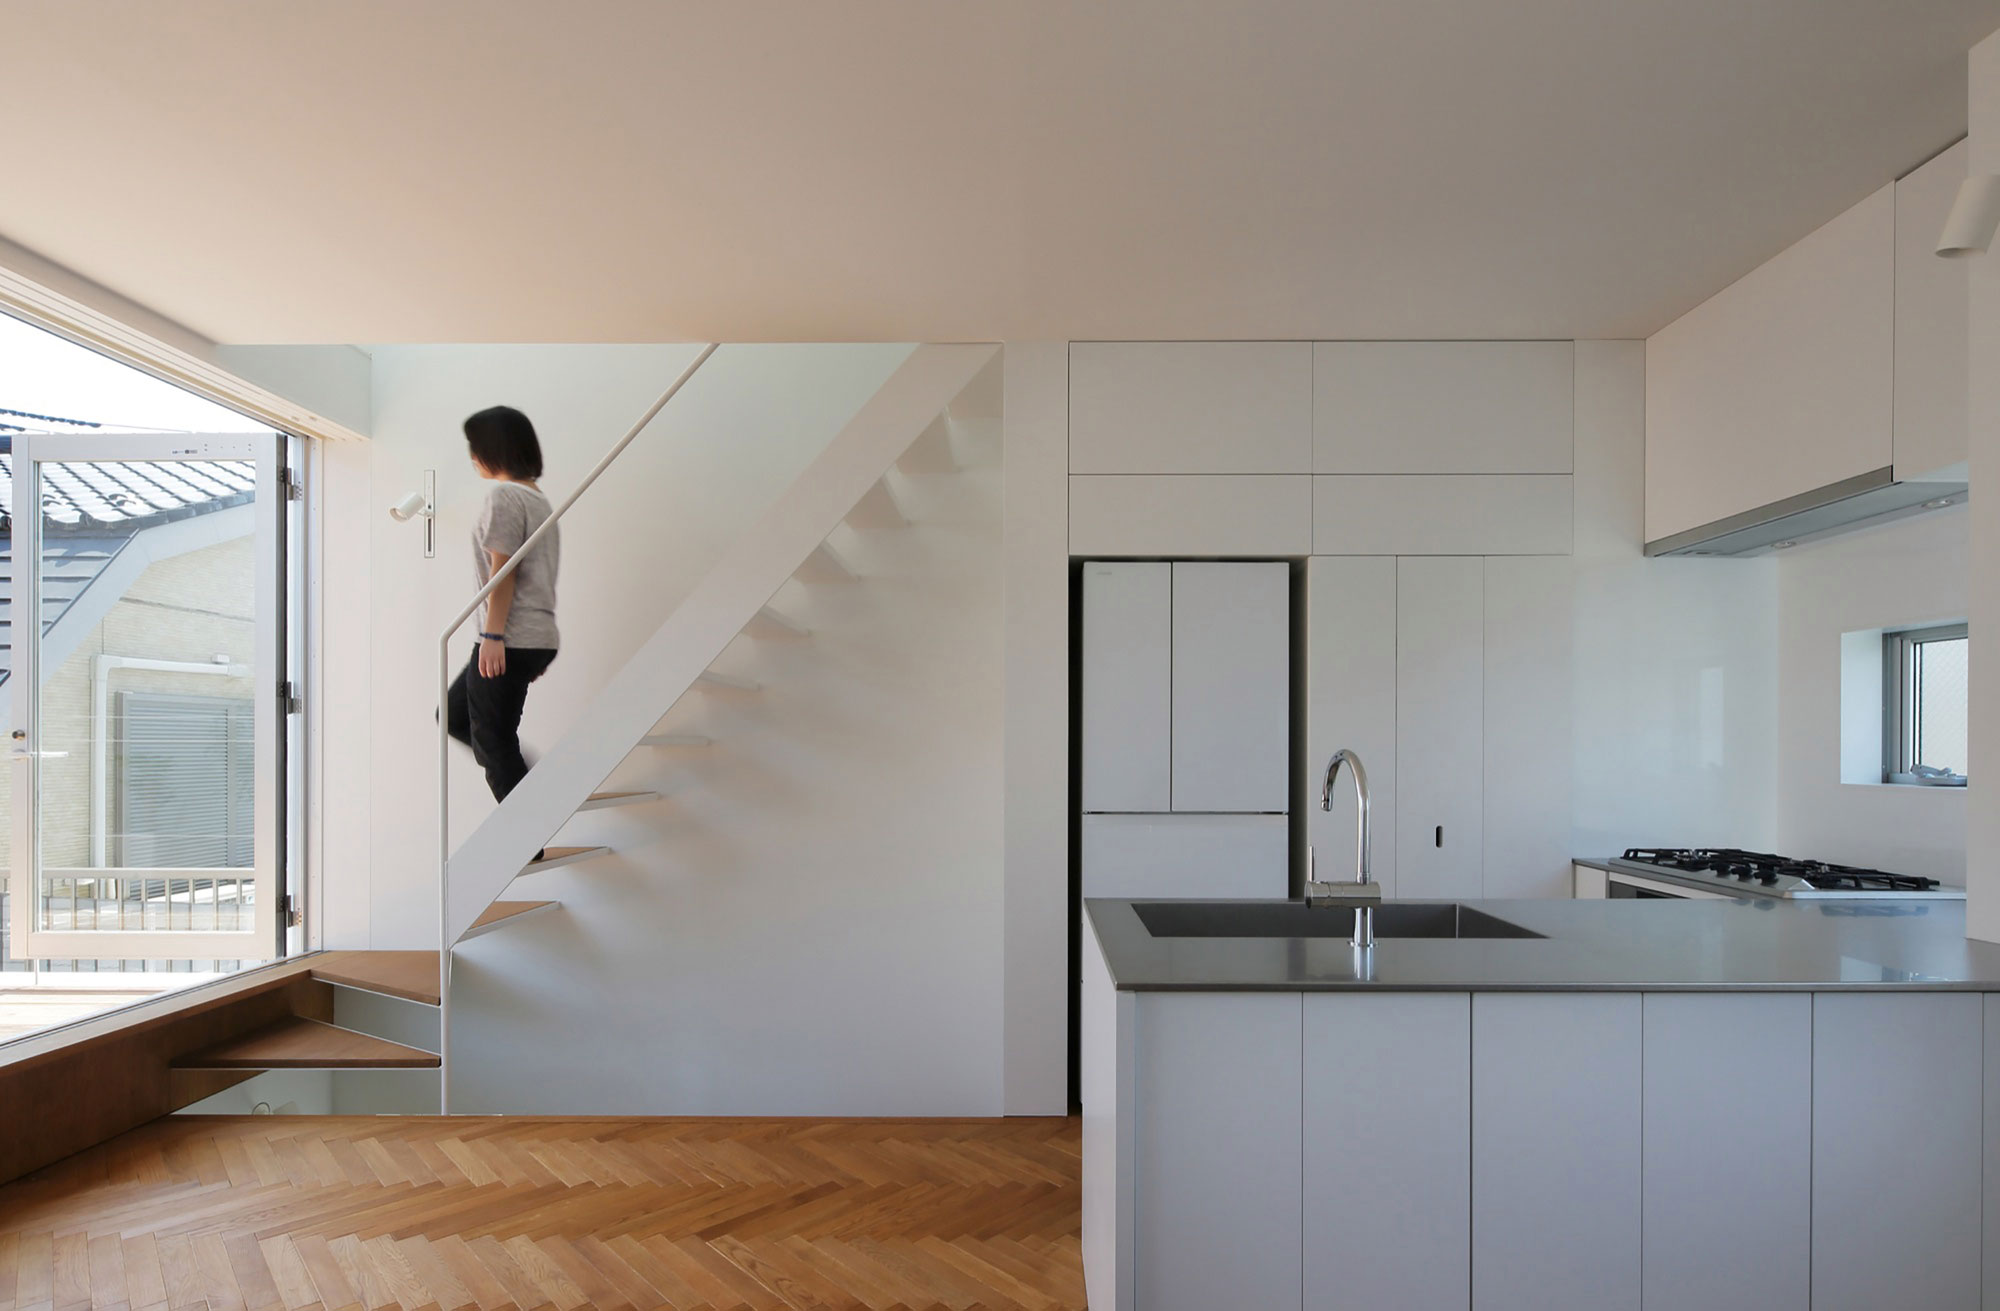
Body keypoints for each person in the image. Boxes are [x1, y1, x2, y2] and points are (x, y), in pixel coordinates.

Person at [445, 405, 560, 811]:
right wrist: (538, 643)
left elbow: (504, 572)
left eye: (475, 447)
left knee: (494, 739)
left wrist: (494, 636)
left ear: (495, 449)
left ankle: (527, 835)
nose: (473, 456)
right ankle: (533, 788)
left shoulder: (506, 497)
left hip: (507, 635)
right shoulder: (537, 499)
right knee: (455, 715)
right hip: (533, 634)